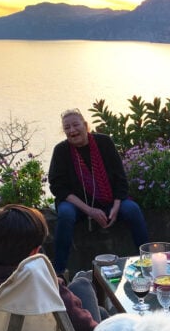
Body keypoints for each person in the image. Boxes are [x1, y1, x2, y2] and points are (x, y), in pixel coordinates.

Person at [48, 108, 149, 276]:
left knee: (132, 210)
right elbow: (57, 186)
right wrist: (89, 210)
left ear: (85, 125)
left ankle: (147, 261)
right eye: (67, 128)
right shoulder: (61, 150)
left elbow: (120, 176)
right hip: (77, 204)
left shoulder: (104, 142)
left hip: (109, 200)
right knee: (65, 215)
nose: (72, 130)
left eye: (75, 125)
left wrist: (116, 206)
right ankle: (59, 271)